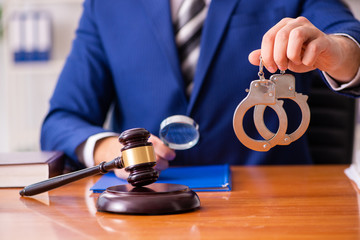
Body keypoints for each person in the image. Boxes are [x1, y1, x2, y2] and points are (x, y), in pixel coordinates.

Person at [41, 0, 360, 179]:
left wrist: (336, 51)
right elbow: (61, 119)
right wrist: (108, 150)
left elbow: (348, 38)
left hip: (273, 205)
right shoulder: (106, 6)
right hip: (149, 207)